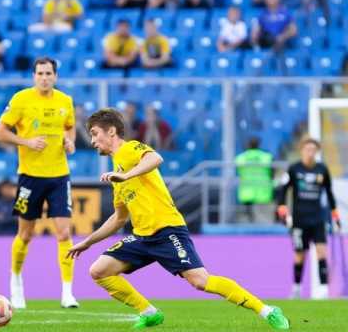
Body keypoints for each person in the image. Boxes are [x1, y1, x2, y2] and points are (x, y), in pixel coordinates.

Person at [67, 108, 290, 330]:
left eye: (95, 133)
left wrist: (127, 174)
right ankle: (149, 313)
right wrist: (88, 242)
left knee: (200, 281)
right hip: (142, 237)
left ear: (112, 131)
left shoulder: (130, 149)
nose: (93, 140)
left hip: (167, 230)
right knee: (99, 271)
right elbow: (118, 219)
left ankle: (267, 310)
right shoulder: (117, 173)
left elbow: (156, 157)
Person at [0, 57, 78, 309]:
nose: (44, 77)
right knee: (25, 234)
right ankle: (16, 282)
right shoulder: (21, 99)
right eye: (40, 73)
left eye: (48, 73)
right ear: (33, 76)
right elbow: (0, 132)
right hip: (29, 177)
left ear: (55, 76)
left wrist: (69, 141)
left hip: (59, 176)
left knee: (64, 232)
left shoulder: (65, 101)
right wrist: (27, 142)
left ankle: (67, 292)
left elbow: (70, 128)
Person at [276, 137, 340, 300]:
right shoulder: (294, 169)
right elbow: (283, 189)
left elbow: (329, 193)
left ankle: (324, 290)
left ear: (317, 152)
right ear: (302, 151)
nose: (310, 152)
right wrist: (282, 206)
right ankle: (297, 288)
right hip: (299, 220)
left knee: (321, 252)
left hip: (318, 219)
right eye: (307, 149)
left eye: (313, 150)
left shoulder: (322, 169)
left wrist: (334, 212)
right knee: (299, 255)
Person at [235, 137, 274, 223]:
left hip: (246, 192)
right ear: (259, 145)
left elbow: (238, 171)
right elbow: (272, 173)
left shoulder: (240, 158)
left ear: (248, 145)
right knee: (263, 222)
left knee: (248, 222)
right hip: (263, 193)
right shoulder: (267, 157)